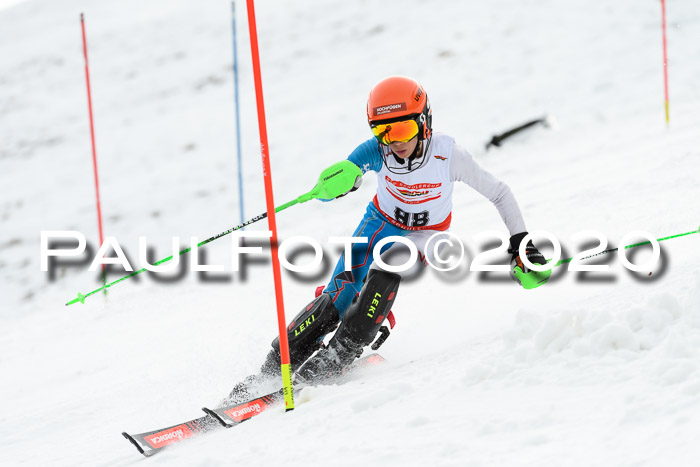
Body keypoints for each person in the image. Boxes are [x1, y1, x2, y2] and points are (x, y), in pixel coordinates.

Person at [226, 76, 546, 402]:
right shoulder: (378, 151)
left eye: (403, 129)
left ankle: (337, 357)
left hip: (426, 235)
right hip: (379, 224)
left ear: (424, 122)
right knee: (337, 296)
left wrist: (520, 240)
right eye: (382, 131)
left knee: (385, 271)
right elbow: (351, 170)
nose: (394, 142)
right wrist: (344, 181)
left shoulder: (449, 156)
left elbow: (500, 193)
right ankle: (268, 373)